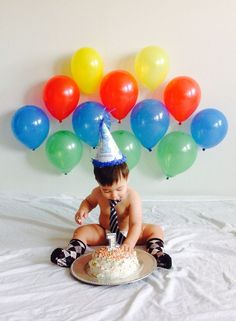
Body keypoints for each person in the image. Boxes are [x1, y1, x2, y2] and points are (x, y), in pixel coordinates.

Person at [51, 122, 172, 269]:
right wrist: (83, 209)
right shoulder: (97, 192)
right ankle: (70, 255)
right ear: (99, 184)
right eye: (107, 190)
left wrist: (128, 243)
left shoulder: (133, 197)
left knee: (155, 230)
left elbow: (135, 224)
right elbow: (89, 202)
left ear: (127, 178)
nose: (114, 195)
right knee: (81, 231)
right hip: (105, 232)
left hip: (129, 233)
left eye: (119, 189)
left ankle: (156, 253)